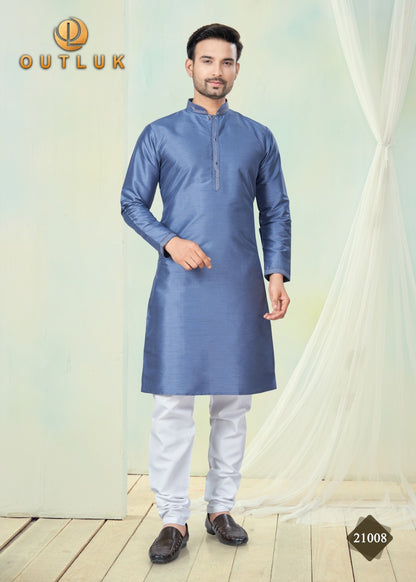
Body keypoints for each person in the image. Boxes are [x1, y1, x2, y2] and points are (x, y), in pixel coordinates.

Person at [120, 23, 291, 564]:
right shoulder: (159, 134)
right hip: (180, 288)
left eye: (227, 62)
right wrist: (170, 242)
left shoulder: (259, 137)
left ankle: (220, 509)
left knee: (233, 404)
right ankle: (173, 517)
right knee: (172, 403)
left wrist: (277, 274)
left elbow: (276, 211)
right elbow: (131, 202)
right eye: (208, 60)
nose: (217, 71)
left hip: (240, 285)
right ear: (189, 66)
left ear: (237, 68)